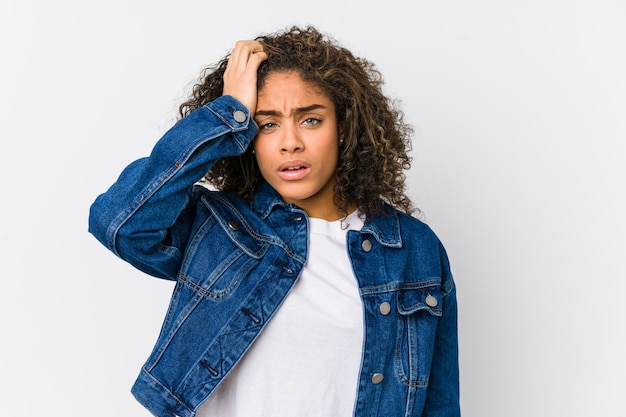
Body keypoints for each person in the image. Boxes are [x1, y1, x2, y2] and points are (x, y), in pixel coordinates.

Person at [88, 26, 459, 417]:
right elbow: (119, 222)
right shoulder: (220, 228)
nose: (289, 142)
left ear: (344, 127)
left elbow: (439, 402)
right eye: (267, 124)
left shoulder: (413, 249)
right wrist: (227, 112)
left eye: (310, 120)